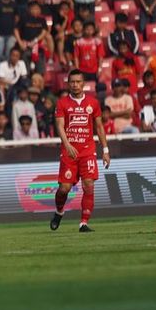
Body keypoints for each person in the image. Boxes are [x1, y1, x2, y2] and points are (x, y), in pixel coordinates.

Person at [50, 69, 110, 233]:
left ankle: (83, 223)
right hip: (69, 152)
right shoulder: (62, 103)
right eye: (72, 82)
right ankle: (59, 211)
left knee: (89, 185)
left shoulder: (93, 103)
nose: (75, 85)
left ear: (84, 84)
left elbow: (99, 127)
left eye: (78, 82)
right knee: (64, 188)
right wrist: (67, 144)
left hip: (88, 151)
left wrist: (105, 149)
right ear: (68, 84)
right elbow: (59, 126)